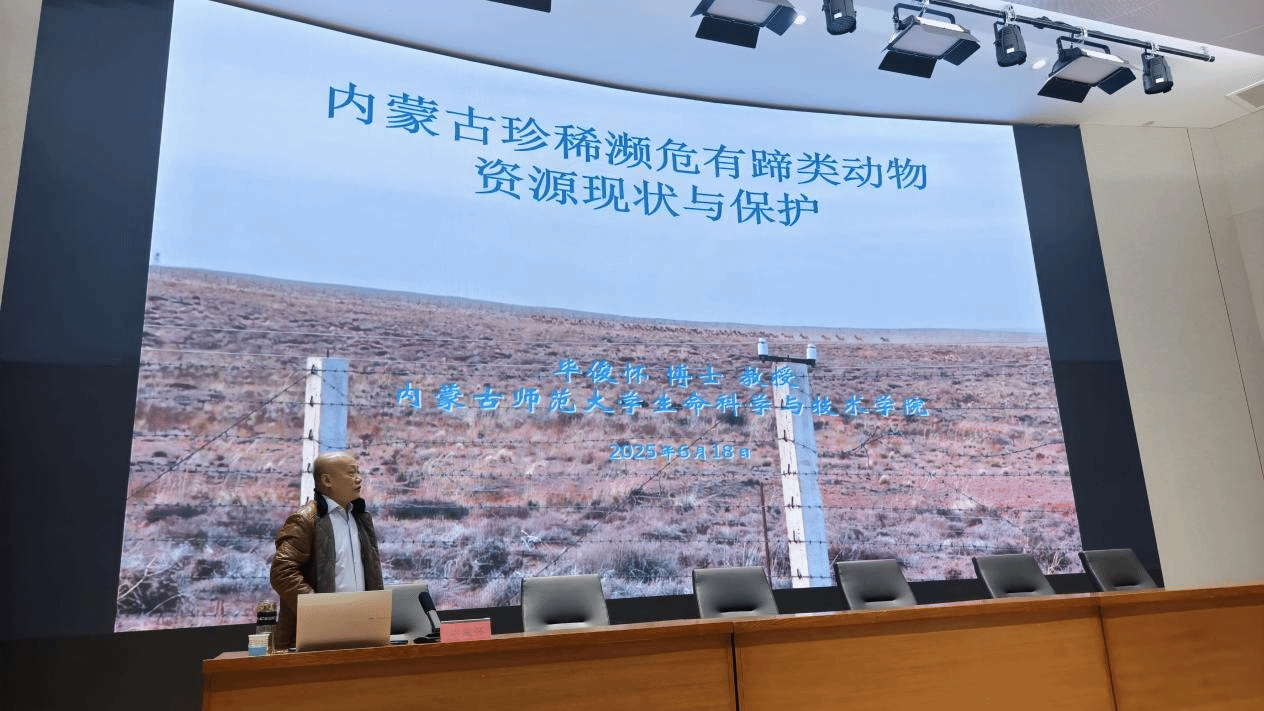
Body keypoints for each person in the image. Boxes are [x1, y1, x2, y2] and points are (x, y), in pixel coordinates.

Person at [269, 451, 384, 650]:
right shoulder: (305, 519)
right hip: (316, 635)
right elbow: (282, 572)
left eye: (358, 472)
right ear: (327, 480)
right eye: (351, 473)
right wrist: (319, 610)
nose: (359, 478)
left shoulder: (359, 517)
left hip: (361, 627)